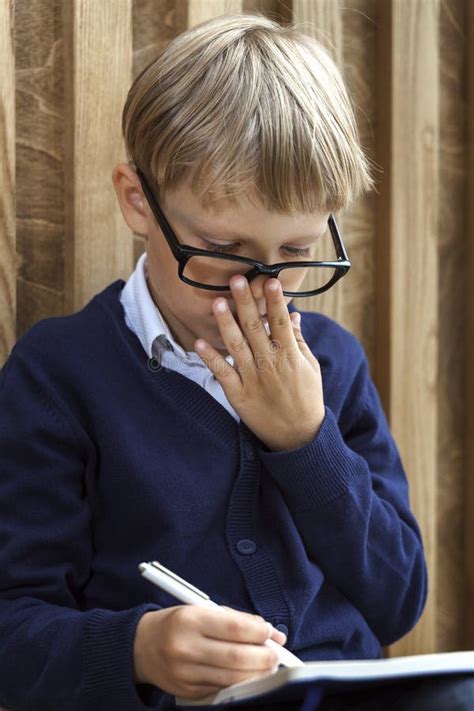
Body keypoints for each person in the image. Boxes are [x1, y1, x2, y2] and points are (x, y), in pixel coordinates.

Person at [0, 12, 471, 711]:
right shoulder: (62, 374)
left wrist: (307, 442)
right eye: (224, 250)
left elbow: (398, 598)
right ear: (139, 201)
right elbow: (13, 631)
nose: (262, 290)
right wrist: (140, 649)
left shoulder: (331, 364)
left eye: (295, 253)